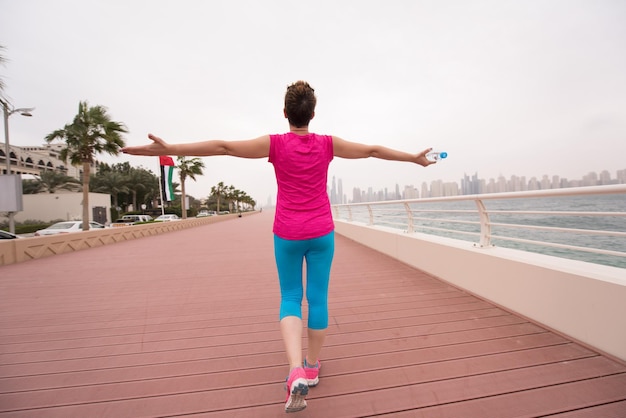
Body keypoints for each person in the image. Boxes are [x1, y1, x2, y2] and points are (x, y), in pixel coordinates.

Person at [122, 80, 435, 413]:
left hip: (286, 232)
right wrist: (413, 159)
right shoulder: (327, 144)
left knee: (290, 297)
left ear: (285, 113)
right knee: (317, 298)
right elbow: (372, 150)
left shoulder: (274, 145)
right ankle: (312, 366)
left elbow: (224, 147)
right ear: (312, 113)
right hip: (321, 231)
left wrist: (169, 148)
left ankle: (294, 369)